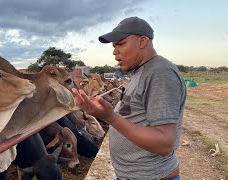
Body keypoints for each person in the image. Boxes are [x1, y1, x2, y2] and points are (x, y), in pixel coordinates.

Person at [72, 16, 186, 180]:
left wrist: (109, 116)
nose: (114, 51)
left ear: (142, 41)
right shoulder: (141, 72)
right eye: (113, 46)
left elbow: (164, 143)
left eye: (120, 43)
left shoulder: (160, 74)